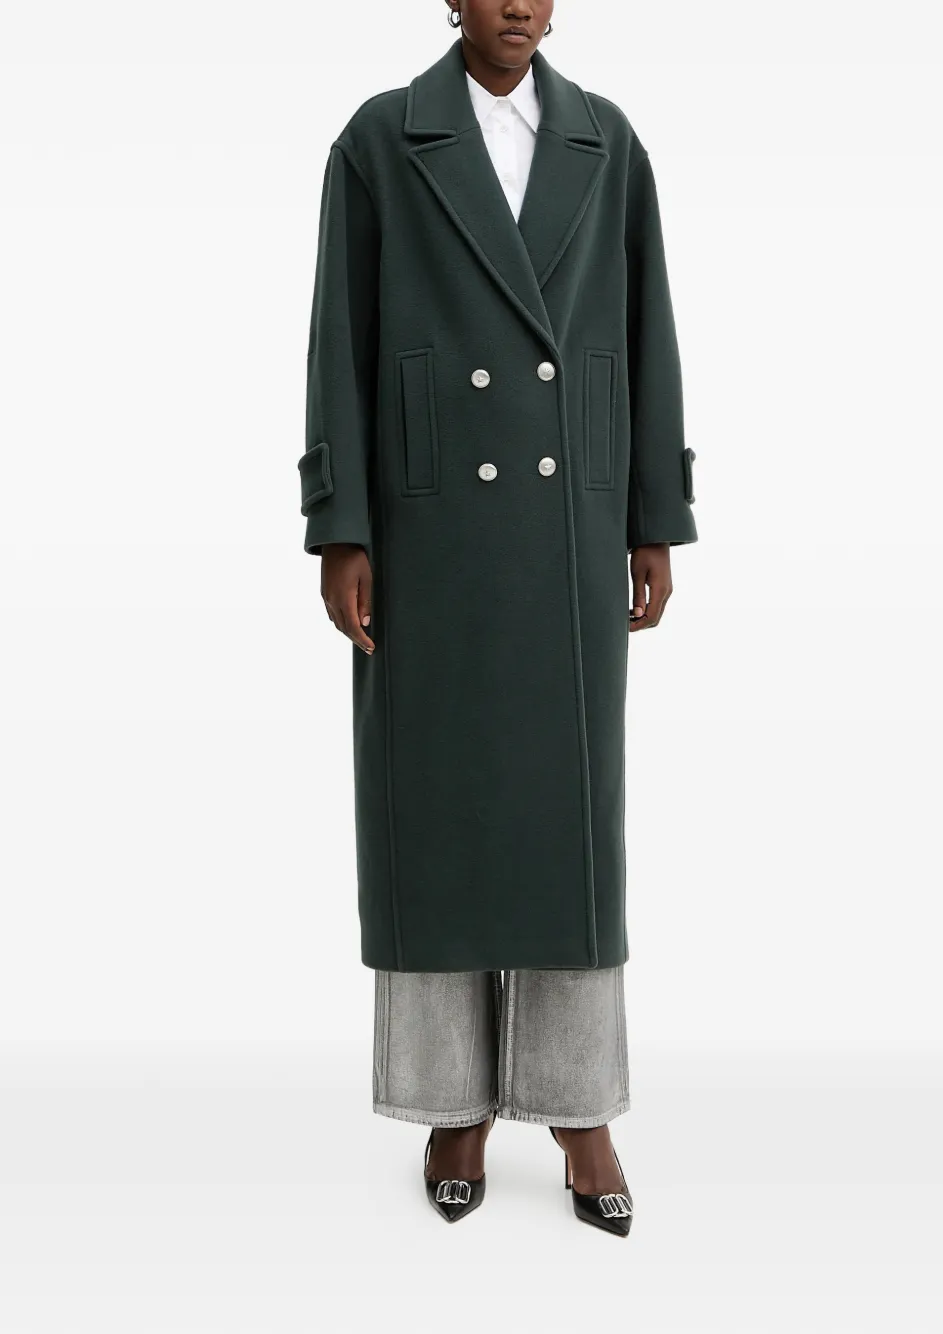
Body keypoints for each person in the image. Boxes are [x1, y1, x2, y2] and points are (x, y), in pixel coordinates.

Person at [299, 0, 698, 1236]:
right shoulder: (380, 140)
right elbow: (338, 341)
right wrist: (342, 524)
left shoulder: (606, 141)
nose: (519, 3)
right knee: (436, 812)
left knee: (568, 821)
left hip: (570, 521)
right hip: (428, 527)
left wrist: (653, 512)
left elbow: (645, 333)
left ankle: (580, 1109)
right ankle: (451, 1103)